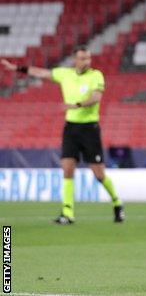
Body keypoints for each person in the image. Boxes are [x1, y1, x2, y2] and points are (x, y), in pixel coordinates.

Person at [1, 47, 124, 224]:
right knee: (67, 169)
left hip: (90, 129)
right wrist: (18, 68)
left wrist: (78, 104)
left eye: (88, 59)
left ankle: (117, 203)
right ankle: (68, 212)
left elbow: (96, 97)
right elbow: (42, 73)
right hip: (71, 128)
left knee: (99, 174)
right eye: (83, 58)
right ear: (75, 60)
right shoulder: (64, 74)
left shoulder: (96, 75)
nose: (87, 62)